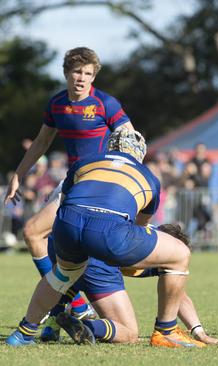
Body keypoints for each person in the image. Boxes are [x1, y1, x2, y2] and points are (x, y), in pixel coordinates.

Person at [6, 130, 197, 348]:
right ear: (140, 154)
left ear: (109, 147)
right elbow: (138, 228)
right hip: (108, 233)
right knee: (180, 253)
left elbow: (65, 202)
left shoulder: (86, 162)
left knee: (60, 275)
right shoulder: (148, 176)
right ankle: (166, 332)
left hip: (67, 224)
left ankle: (23, 334)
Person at [4, 47, 134, 318]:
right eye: (77, 71)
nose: (82, 78)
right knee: (32, 234)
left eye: (88, 73)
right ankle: (72, 305)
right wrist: (18, 174)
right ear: (67, 73)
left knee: (110, 255)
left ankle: (69, 308)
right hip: (73, 182)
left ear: (93, 76)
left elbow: (132, 142)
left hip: (101, 184)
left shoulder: (105, 104)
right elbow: (41, 142)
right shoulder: (56, 104)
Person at [41, 224, 218, 346]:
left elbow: (177, 295)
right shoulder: (152, 250)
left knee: (72, 279)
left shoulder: (146, 234)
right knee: (129, 334)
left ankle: (52, 325)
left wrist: (198, 332)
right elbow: (178, 296)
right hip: (95, 261)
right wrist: (200, 334)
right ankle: (87, 326)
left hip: (60, 241)